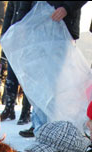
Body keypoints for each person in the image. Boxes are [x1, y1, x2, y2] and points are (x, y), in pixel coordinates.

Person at [19, 1, 87, 138]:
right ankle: (41, 131)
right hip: (36, 24)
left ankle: (58, 132)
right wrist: (21, 22)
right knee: (38, 82)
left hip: (63, 25)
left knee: (58, 84)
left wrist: (68, 7)